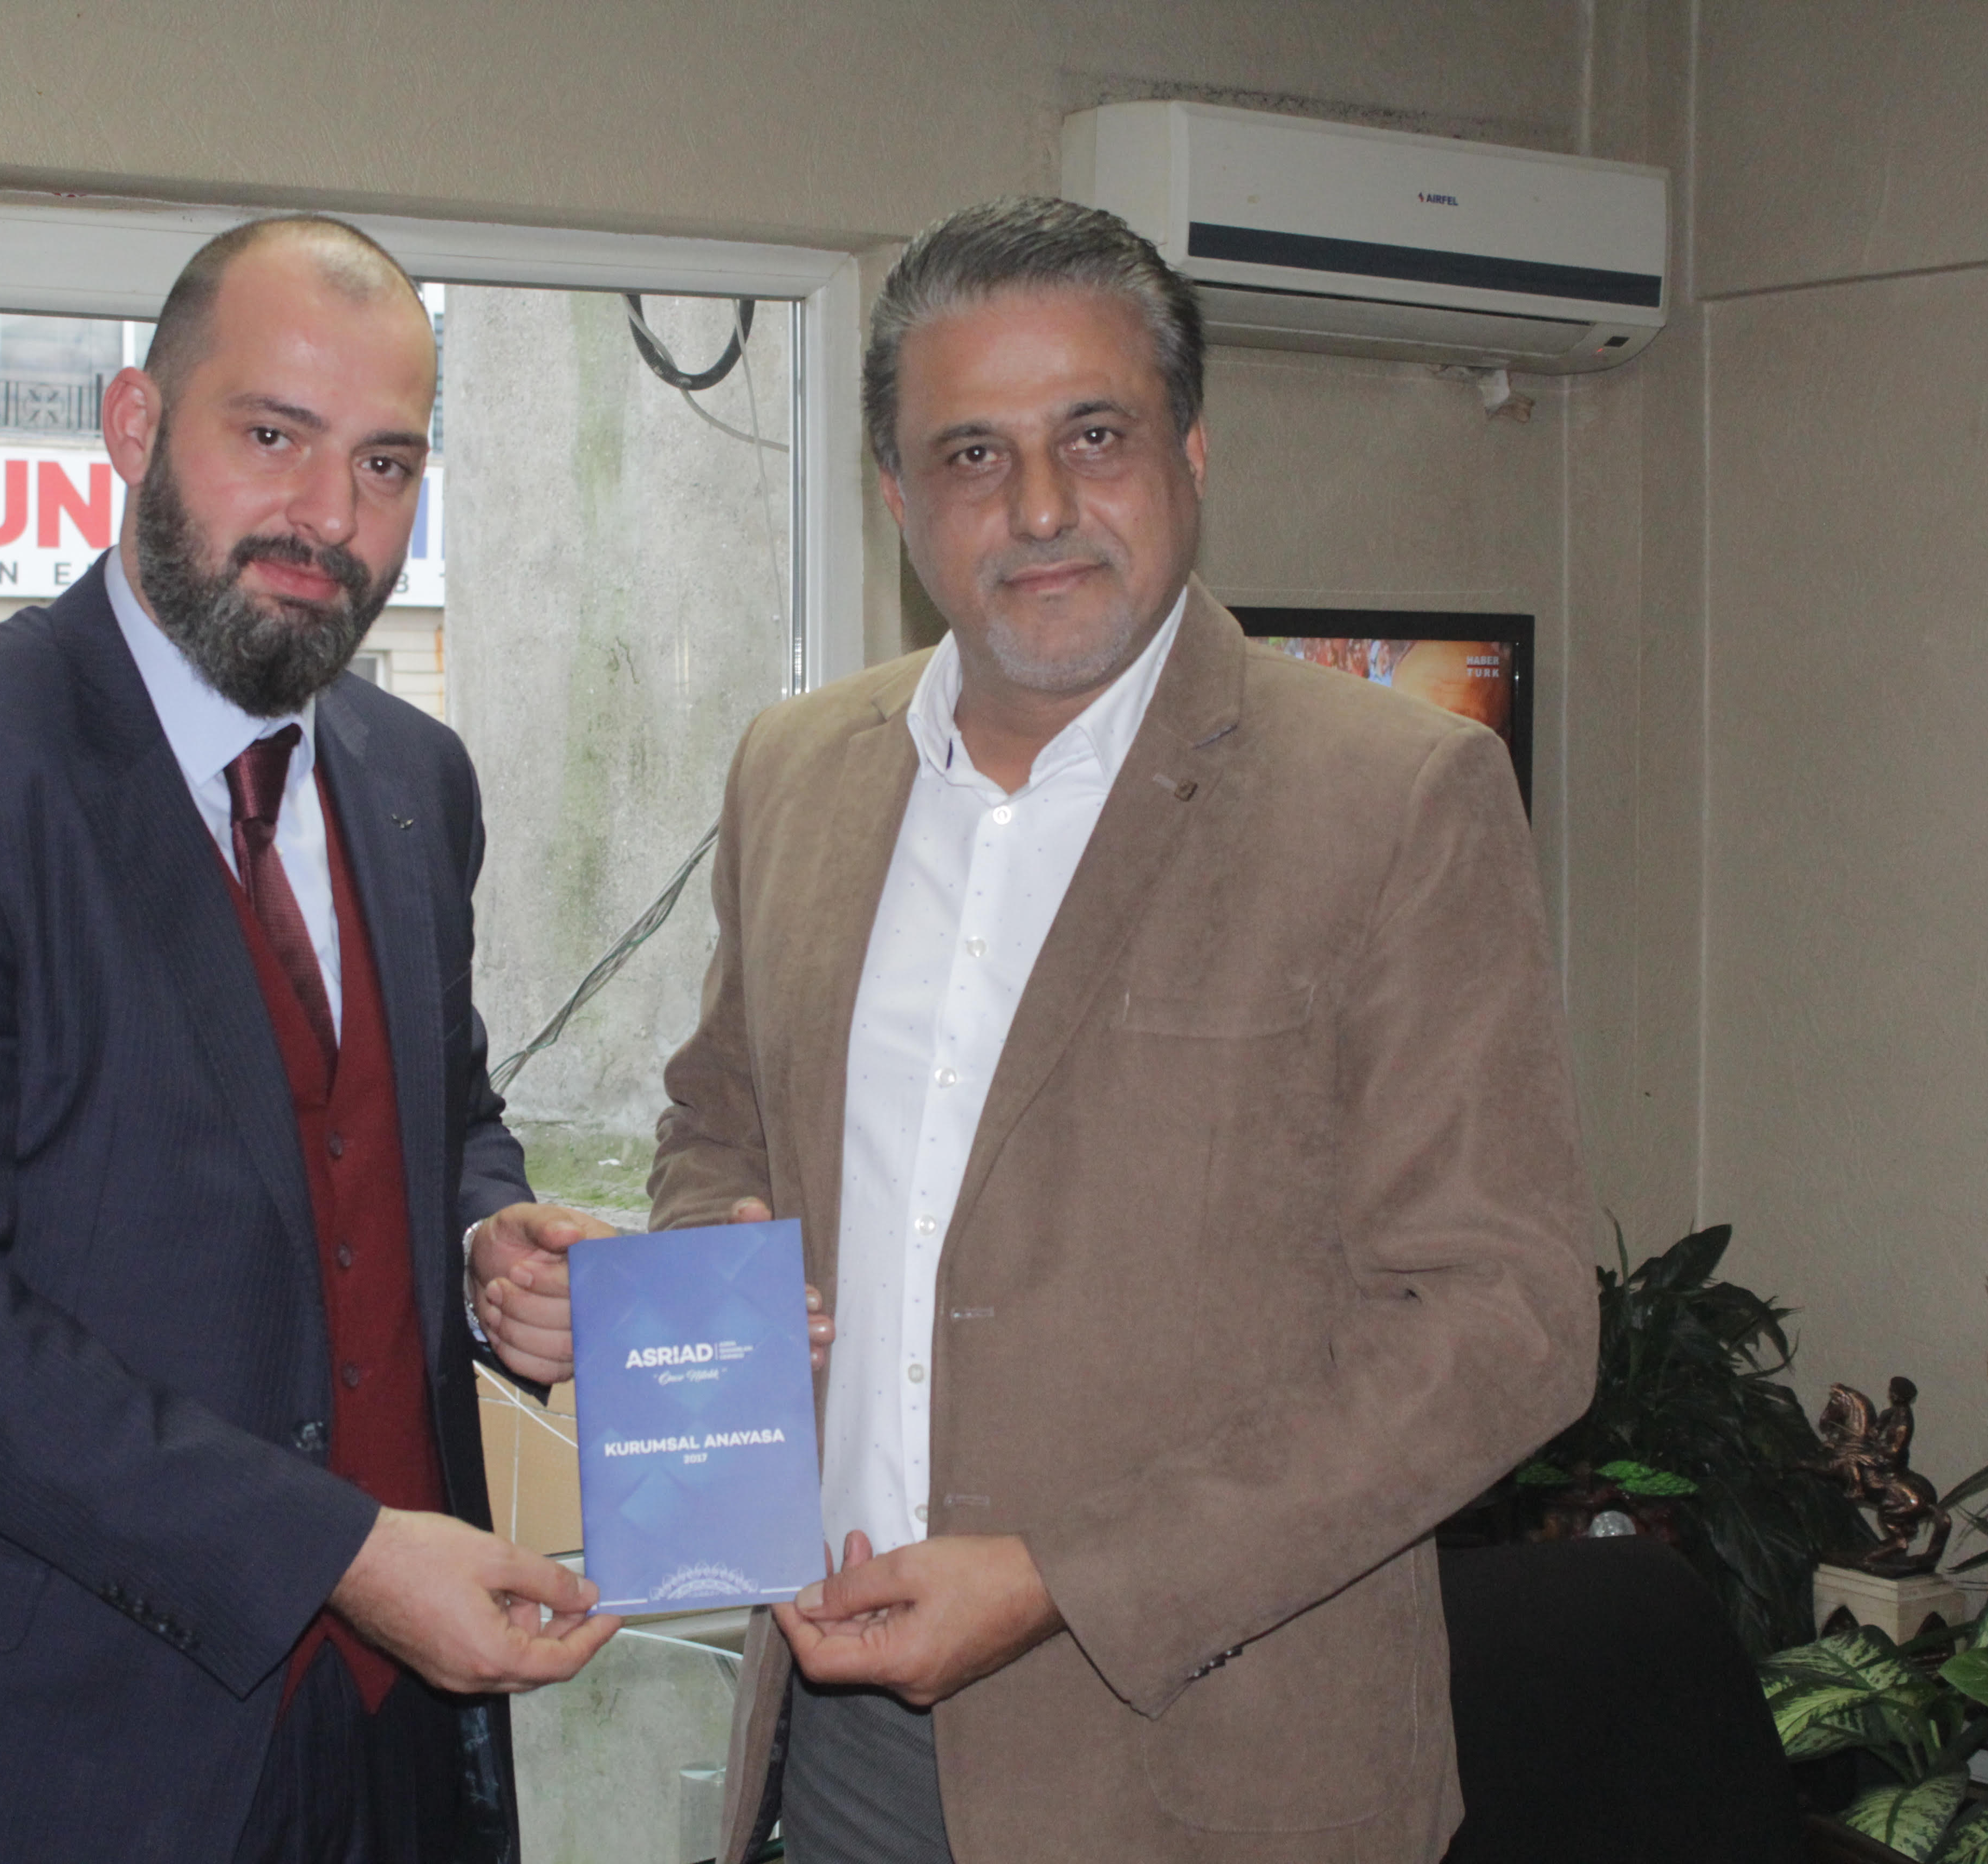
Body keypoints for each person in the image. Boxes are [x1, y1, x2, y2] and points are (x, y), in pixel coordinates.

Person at [650, 195, 1598, 1864]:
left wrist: (1062, 1582)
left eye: (1093, 436)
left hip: (1208, 1775)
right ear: (897, 499)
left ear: (1191, 453)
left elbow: (1505, 1322)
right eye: (971, 454)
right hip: (837, 1745)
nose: (1038, 508)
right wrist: (710, 1285)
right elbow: (716, 1124)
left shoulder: (1397, 797)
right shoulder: (793, 772)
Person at [0, 215, 620, 1864]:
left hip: (397, 1747)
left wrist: (488, 1236)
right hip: (37, 1755)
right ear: (135, 424)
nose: (330, 515)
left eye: (385, 463)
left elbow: (432, 1115)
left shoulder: (417, 782)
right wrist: (337, 1553)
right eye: (273, 436)